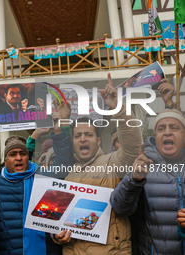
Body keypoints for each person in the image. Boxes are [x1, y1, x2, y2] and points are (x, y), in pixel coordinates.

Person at [51, 73, 142, 254]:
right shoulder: (67, 176)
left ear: (98, 140)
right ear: (73, 142)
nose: (83, 139)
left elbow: (133, 149)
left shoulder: (113, 162)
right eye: (78, 135)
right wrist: (57, 236)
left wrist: (118, 109)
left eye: (89, 135)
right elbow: (56, 219)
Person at [0, 118, 62, 255]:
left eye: (23, 153)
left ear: (28, 157)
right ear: (5, 160)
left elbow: (62, 164)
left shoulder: (43, 178)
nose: (19, 158)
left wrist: (58, 129)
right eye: (12, 154)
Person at [110, 109, 185, 255]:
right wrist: (134, 180)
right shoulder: (142, 165)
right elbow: (119, 208)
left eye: (174, 128)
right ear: (155, 136)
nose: (167, 132)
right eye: (161, 128)